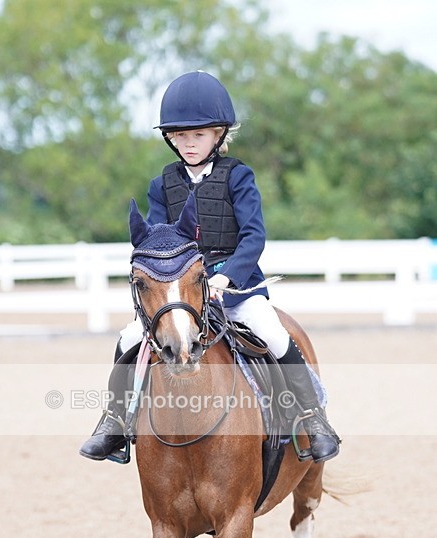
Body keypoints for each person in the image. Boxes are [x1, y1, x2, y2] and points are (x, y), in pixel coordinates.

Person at [80, 70, 340, 463]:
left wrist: (226, 276)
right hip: (182, 291)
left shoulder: (238, 176)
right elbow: (158, 241)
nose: (188, 143)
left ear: (219, 134)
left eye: (197, 135)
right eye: (180, 136)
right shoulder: (161, 184)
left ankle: (312, 418)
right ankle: (113, 423)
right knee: (128, 337)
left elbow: (253, 237)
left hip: (235, 289)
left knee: (273, 333)